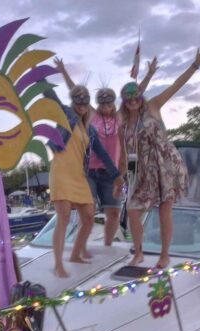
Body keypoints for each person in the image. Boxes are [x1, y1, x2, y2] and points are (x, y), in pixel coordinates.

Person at [118, 47, 200, 268]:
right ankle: (139, 252)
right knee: (132, 209)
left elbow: (176, 86)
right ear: (124, 101)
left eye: (136, 96)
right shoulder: (124, 123)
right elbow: (126, 154)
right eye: (128, 98)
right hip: (141, 168)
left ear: (141, 97)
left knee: (164, 210)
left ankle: (164, 255)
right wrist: (124, 177)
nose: (133, 100)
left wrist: (195, 64)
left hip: (165, 163)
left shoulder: (153, 106)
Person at [55, 57, 158, 253]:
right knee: (89, 213)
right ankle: (81, 248)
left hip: (112, 174)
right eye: (101, 104)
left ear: (113, 103)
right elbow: (75, 92)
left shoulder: (120, 116)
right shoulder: (92, 115)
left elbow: (136, 94)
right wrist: (63, 71)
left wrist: (150, 74)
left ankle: (108, 246)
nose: (105, 107)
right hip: (90, 171)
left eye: (108, 103)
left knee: (113, 212)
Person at [44, 75, 124, 278]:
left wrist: (116, 175)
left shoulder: (89, 128)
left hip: (79, 175)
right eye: (78, 102)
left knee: (88, 216)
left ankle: (76, 255)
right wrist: (37, 72)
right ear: (73, 102)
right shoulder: (65, 115)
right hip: (61, 171)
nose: (81, 105)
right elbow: (49, 93)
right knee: (63, 218)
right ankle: (58, 264)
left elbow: (103, 155)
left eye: (85, 102)